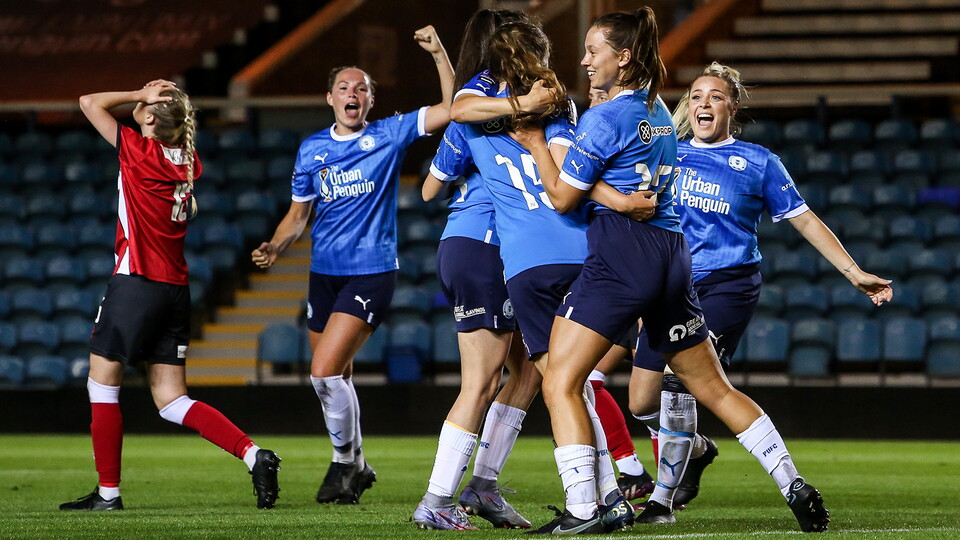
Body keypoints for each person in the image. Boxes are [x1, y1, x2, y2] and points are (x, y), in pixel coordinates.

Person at [511, 9, 834, 534]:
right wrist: (609, 188)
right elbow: (620, 174)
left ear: (624, 57)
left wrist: (537, 148)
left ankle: (587, 509)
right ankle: (792, 481)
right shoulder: (657, 111)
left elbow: (562, 199)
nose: (585, 60)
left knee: (563, 383)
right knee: (712, 386)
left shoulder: (605, 118)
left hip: (622, 260)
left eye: (594, 51)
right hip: (672, 257)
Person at [627, 61, 894, 520]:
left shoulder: (757, 162)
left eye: (714, 96)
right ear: (687, 107)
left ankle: (668, 501)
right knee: (640, 401)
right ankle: (696, 447)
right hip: (670, 285)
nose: (704, 102)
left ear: (732, 106)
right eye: (696, 96)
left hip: (728, 283)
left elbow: (804, 219)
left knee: (682, 384)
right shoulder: (666, 154)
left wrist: (853, 272)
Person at [425, 20, 651, 533]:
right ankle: (605, 493)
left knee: (541, 383)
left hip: (520, 259)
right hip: (578, 253)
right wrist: (620, 201)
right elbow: (573, 179)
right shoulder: (557, 106)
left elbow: (433, 176)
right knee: (553, 383)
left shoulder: (475, 119)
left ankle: (459, 495)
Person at [250, 25, 453, 505]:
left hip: (372, 270)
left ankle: (345, 463)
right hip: (323, 273)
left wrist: (439, 54)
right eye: (344, 87)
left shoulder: (387, 134)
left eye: (361, 87)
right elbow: (298, 216)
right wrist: (277, 246)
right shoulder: (311, 150)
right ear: (329, 98)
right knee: (334, 379)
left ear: (370, 101)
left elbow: (450, 110)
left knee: (322, 372)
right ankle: (357, 466)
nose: (352, 93)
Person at [60, 80, 280, 512]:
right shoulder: (188, 161)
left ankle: (108, 494)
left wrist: (137, 92)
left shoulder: (140, 152)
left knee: (101, 386)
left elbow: (88, 101)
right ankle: (255, 455)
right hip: (175, 289)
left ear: (146, 117)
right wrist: (153, 104)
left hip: (136, 281)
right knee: (172, 399)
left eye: (143, 109)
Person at [413, 9, 541, 531]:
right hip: (482, 244)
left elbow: (429, 186)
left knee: (530, 370)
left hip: (488, 249)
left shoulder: (473, 103)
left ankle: (483, 486)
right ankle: (437, 500)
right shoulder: (521, 102)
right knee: (482, 381)